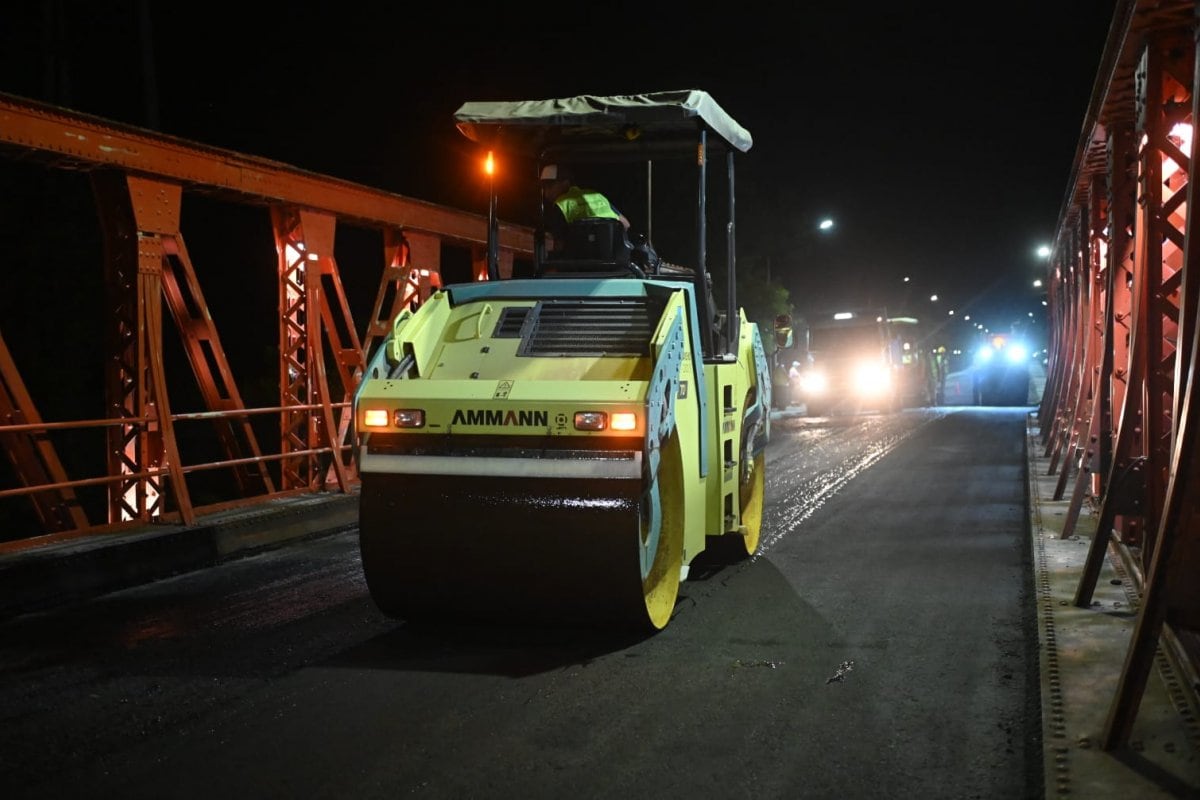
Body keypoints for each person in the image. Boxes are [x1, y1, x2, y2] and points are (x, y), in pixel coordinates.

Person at [539, 164, 630, 253]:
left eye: (550, 186)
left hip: (580, 264)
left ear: (565, 183)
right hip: (615, 261)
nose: (546, 192)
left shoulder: (561, 205)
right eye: (544, 187)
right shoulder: (596, 195)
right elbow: (625, 224)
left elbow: (559, 246)